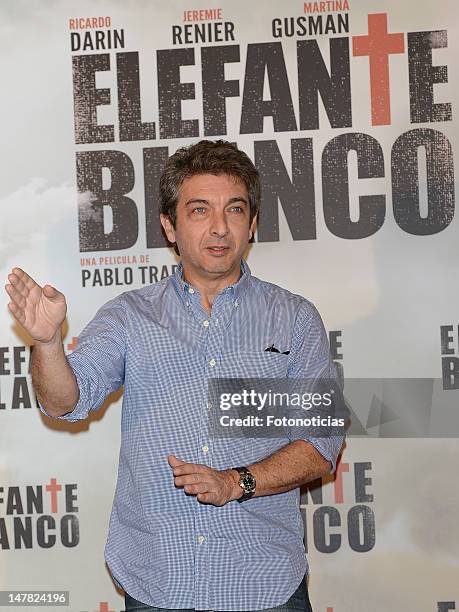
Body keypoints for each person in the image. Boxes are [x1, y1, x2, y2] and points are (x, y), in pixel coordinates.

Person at [5, 140, 344, 612]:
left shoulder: (294, 319)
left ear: (252, 223)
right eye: (200, 210)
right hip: (158, 583)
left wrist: (236, 482)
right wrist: (46, 343)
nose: (220, 227)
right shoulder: (129, 317)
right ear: (170, 225)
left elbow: (321, 445)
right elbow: (66, 401)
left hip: (264, 584)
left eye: (235, 209)